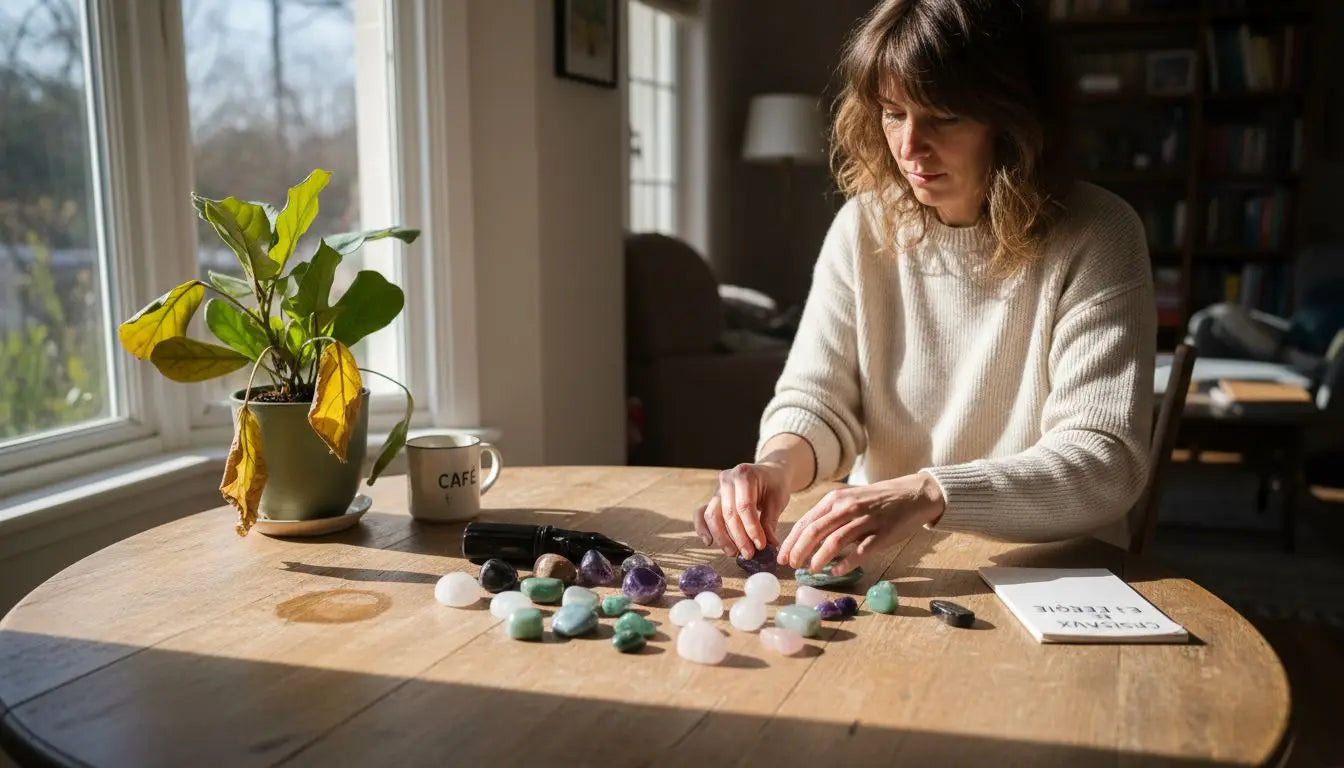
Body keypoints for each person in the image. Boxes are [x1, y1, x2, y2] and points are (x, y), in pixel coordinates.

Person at [693, 0, 1156, 576]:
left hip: (1055, 570)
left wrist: (930, 492)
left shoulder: (1099, 234)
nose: (909, 146)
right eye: (893, 113)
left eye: (945, 117)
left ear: (1015, 122)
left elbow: (1105, 463)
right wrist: (776, 466)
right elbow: (818, 399)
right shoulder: (862, 227)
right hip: (893, 561)